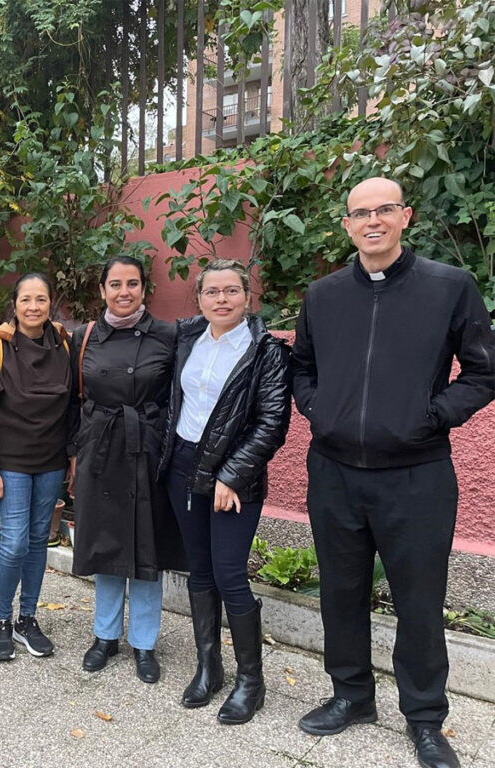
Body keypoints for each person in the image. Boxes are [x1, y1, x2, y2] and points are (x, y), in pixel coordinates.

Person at [292, 177, 495, 768]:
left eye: (385, 210)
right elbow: (301, 368)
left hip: (417, 475)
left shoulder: (449, 287)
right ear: (348, 225)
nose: (373, 221)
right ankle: (351, 696)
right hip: (334, 472)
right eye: (361, 213)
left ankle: (426, 719)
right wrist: (317, 410)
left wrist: (433, 417)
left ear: (405, 216)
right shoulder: (323, 295)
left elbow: (484, 374)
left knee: (420, 601)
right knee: (340, 593)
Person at [161, 259, 292, 724]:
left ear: (246, 296)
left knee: (230, 574)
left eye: (231, 291)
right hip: (180, 466)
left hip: (234, 478)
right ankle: (208, 667)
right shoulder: (187, 339)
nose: (222, 300)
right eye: (212, 291)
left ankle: (250, 681)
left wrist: (231, 475)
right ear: (198, 297)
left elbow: (272, 423)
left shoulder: (266, 352)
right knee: (199, 571)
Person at [67, 255, 186, 684]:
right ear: (102, 290)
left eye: (132, 284)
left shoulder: (169, 336)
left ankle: (145, 643)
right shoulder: (83, 337)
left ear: (143, 289)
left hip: (149, 448)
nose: (123, 292)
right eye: (114, 284)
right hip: (101, 448)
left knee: (146, 545)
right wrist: (74, 450)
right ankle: (104, 636)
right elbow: (69, 400)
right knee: (106, 545)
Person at [0, 274, 71, 661]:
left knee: (40, 541)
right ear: (15, 304)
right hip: (10, 463)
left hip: (51, 462)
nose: (34, 306)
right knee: (14, 544)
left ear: (50, 303)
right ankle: (2, 621)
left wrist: (71, 455)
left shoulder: (64, 344)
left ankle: (27, 619)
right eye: (26, 299)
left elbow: (74, 403)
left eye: (41, 299)